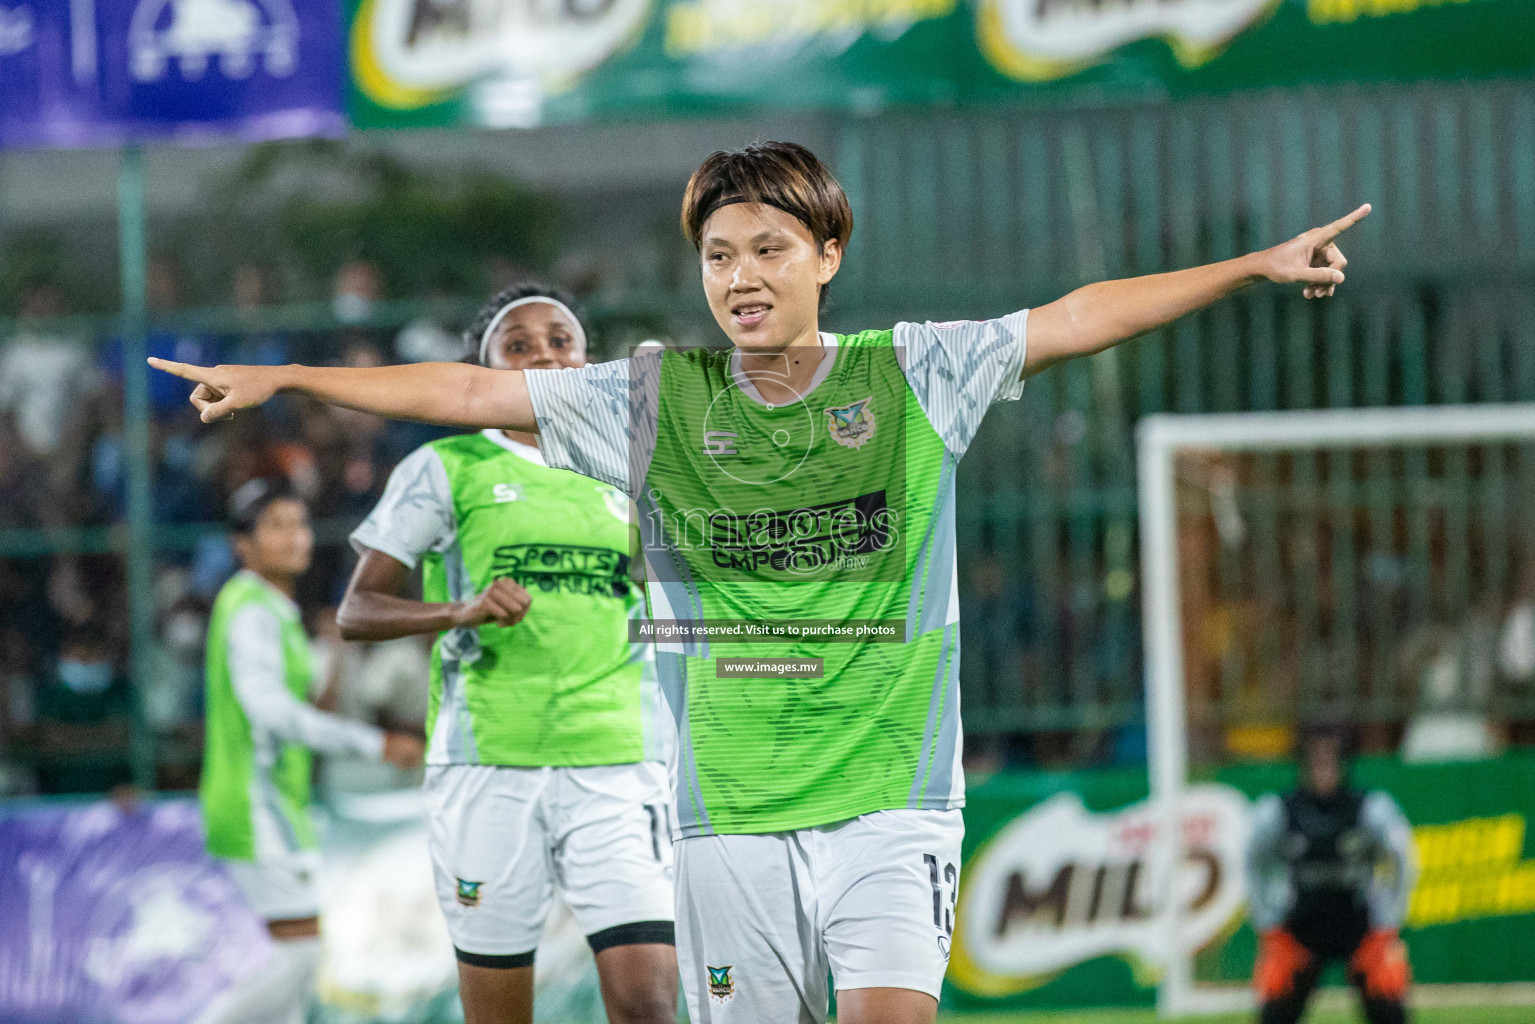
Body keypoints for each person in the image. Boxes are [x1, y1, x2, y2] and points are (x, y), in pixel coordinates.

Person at [152, 141, 1369, 1024]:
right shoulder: (650, 397)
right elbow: (471, 395)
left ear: (826, 254)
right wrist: (289, 375)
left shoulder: (914, 376)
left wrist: (1249, 265)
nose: (740, 274)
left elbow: (1071, 317)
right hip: (724, 805)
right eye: (718, 254)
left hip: (891, 796)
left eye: (769, 249)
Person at [336, 282, 678, 1024]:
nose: (544, 354)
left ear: (586, 361)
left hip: (618, 759)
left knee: (649, 1002)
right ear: (483, 370)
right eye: (517, 345)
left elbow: (678, 589)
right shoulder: (446, 466)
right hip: (489, 765)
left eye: (561, 340)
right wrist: (460, 608)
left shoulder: (633, 463)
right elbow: (356, 612)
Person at [195, 478, 424, 1024]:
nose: (295, 535)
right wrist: (374, 744)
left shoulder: (274, 609)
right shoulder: (250, 609)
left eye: (298, 523)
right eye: (275, 525)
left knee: (291, 982)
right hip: (256, 804)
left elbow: (307, 700)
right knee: (302, 958)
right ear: (241, 543)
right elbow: (272, 713)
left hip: (276, 800)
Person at [1246, 726, 1416, 1024]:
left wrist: (1387, 926)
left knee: (1391, 1011)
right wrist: (1269, 927)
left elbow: (1404, 859)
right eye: (1316, 762)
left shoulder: (1371, 809)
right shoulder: (1279, 811)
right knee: (1273, 1014)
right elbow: (1252, 860)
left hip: (1358, 928)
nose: (1323, 770)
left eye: (1330, 761)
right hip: (1302, 929)